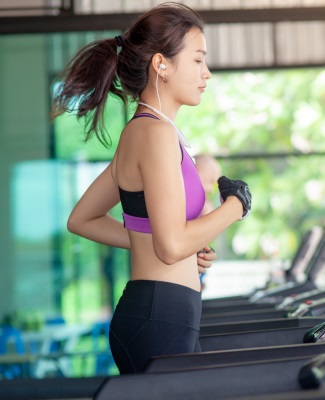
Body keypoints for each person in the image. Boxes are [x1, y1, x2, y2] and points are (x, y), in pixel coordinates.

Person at [52, 3, 252, 374]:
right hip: (162, 317)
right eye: (197, 60)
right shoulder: (155, 135)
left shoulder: (144, 131)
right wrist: (234, 207)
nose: (206, 73)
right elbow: (172, 245)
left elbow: (82, 219)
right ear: (161, 65)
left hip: (159, 313)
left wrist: (158, 240)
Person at [194, 154, 222, 290]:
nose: (211, 189)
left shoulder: (203, 200)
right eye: (210, 181)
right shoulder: (200, 201)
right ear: (197, 170)